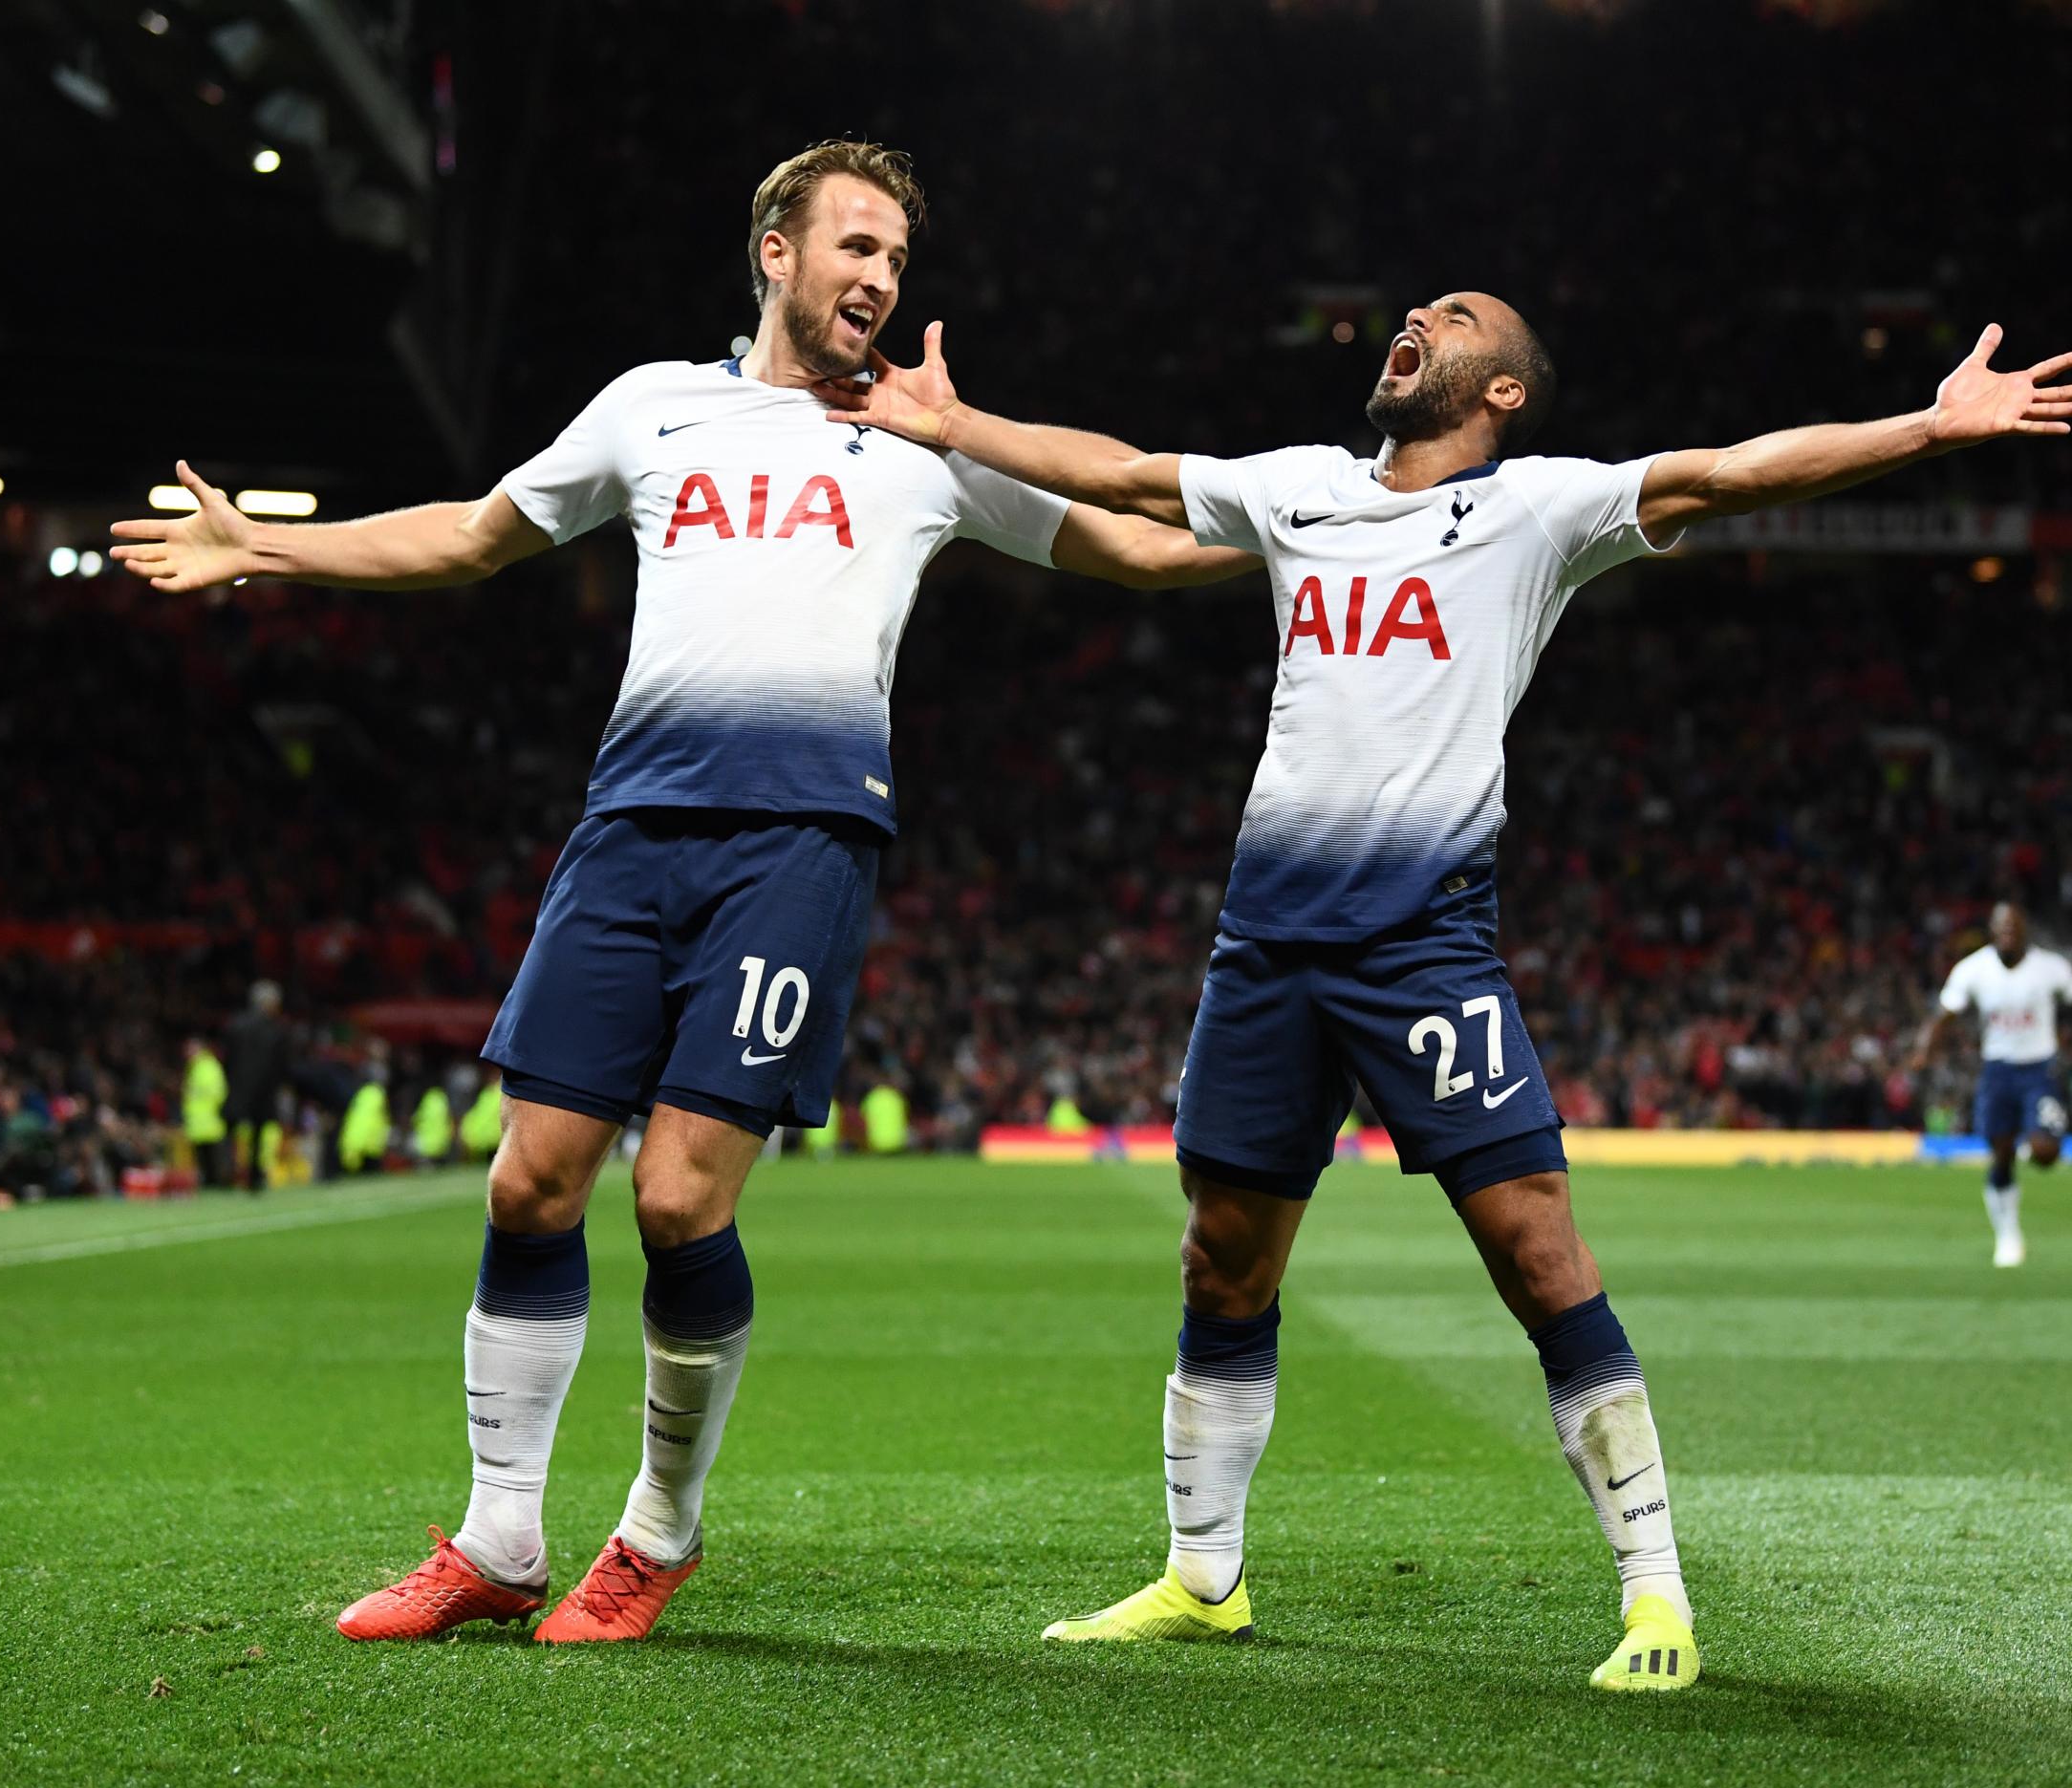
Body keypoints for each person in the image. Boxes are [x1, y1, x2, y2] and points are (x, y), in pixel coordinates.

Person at [827, 297, 2072, 1690]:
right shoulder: (1302, 487)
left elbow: (1732, 470)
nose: (1415, 318)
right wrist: (953, 426)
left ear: (1500, 390)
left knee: (1537, 1250)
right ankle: (1204, 1577)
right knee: (1222, 1255)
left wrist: (1929, 424)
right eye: (1417, 308)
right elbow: (1129, 476)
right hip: (1268, 942)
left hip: (1423, 942)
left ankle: (1658, 1593)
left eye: (1454, 319)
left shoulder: (1540, 510)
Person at [110, 139, 1249, 1645]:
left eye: (898, 260)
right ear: (774, 251)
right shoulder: (654, 408)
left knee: (674, 1193)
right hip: (629, 832)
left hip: (798, 846)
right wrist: (266, 543)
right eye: (856, 247)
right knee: (529, 1181)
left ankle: (658, 1533)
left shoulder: (928, 440)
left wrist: (1314, 521)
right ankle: (502, 1540)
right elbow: (469, 534)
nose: (881, 281)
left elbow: (1134, 548)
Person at [1909, 902, 2072, 1266]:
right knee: (1999, 1154)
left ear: (2024, 932)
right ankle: (2008, 1234)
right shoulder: (1973, 970)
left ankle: (2028, 1143)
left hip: (2040, 1070)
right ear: (1992, 932)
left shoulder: (2050, 968)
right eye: (2001, 929)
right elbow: (1946, 1014)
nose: (2007, 935)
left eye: (2013, 929)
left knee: (2046, 1153)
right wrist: (1925, 1048)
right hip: (1998, 1071)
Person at [220, 981, 292, 1195]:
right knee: (257, 1135)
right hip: (263, 1090)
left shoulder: (235, 1024)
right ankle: (253, 1177)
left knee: (229, 1131)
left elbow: (227, 1058)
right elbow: (281, 1065)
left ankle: (226, 1174)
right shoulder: (275, 1029)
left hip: (237, 1086)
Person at [182, 1037, 230, 1188]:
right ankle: (210, 1182)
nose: (187, 1052)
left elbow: (218, 1092)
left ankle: (221, 1183)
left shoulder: (208, 1066)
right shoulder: (195, 1067)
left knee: (215, 1157)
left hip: (210, 1120)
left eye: (190, 1048)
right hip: (198, 1122)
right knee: (203, 1159)